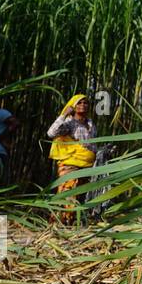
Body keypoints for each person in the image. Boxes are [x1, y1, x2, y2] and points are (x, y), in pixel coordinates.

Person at [47, 94, 98, 223]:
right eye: (79, 103)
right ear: (73, 106)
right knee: (68, 193)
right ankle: (59, 224)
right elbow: (51, 133)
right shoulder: (69, 123)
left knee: (81, 195)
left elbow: (92, 144)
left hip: (88, 165)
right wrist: (63, 115)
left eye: (85, 103)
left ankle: (73, 223)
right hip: (70, 163)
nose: (83, 105)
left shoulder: (91, 124)